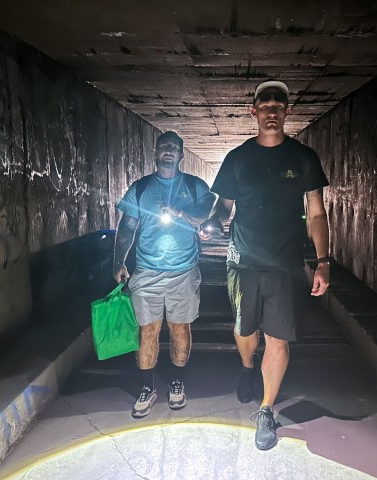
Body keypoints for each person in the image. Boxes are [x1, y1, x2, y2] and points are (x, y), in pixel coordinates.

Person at [200, 80, 330, 450]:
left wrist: (323, 262)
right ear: (253, 111)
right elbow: (223, 207)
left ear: (288, 112)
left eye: (279, 105)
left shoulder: (304, 158)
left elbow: (316, 212)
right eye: (265, 105)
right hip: (243, 261)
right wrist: (213, 221)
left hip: (286, 264)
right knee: (245, 332)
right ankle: (246, 368)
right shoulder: (238, 159)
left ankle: (267, 410)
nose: (272, 111)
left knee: (278, 339)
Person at [113, 131, 215, 418]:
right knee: (148, 331)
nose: (169, 151)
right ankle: (147, 387)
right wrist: (118, 261)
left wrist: (180, 212)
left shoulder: (196, 186)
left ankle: (177, 382)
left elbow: (208, 214)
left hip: (183, 271)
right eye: (164, 147)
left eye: (174, 148)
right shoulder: (141, 188)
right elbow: (127, 227)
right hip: (146, 272)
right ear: (155, 153)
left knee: (180, 328)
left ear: (182, 155)